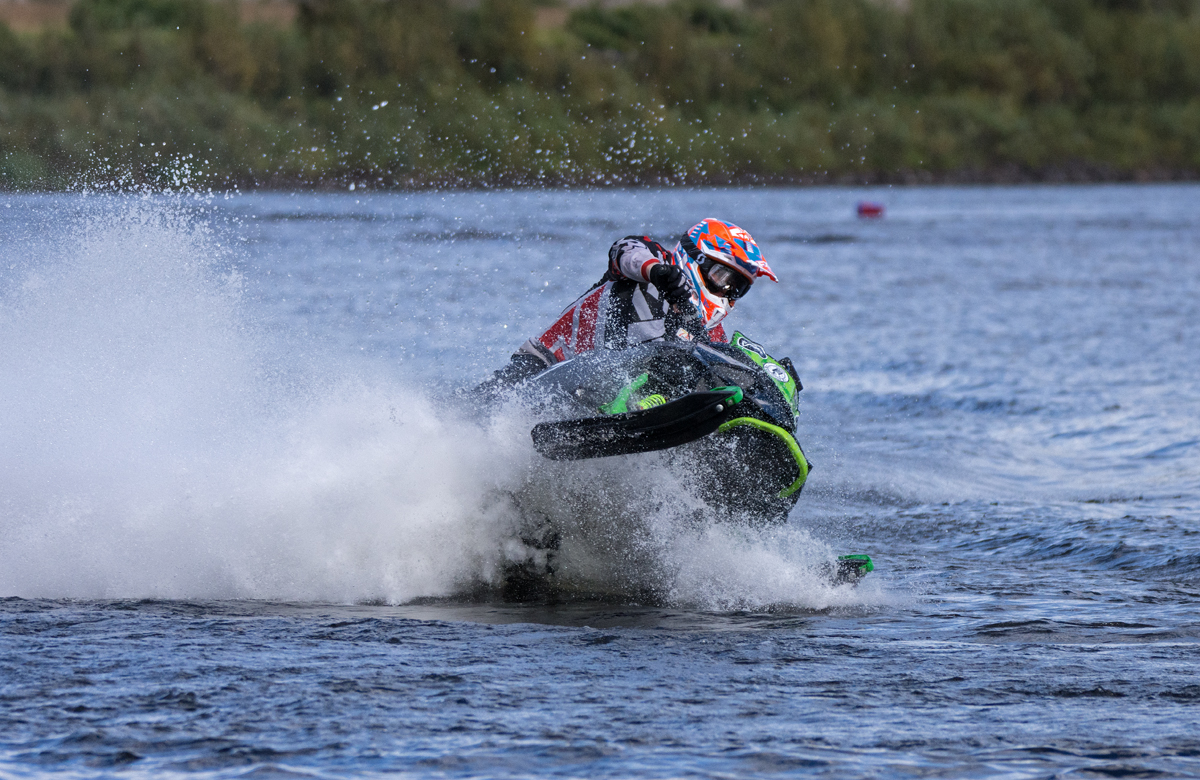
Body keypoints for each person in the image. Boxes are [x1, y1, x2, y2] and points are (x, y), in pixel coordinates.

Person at [481, 217, 777, 390]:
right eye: (724, 277)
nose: (727, 291)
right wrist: (658, 273)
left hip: (609, 394)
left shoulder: (709, 332)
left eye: (738, 287)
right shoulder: (653, 259)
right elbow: (623, 250)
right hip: (543, 367)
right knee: (489, 409)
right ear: (696, 259)